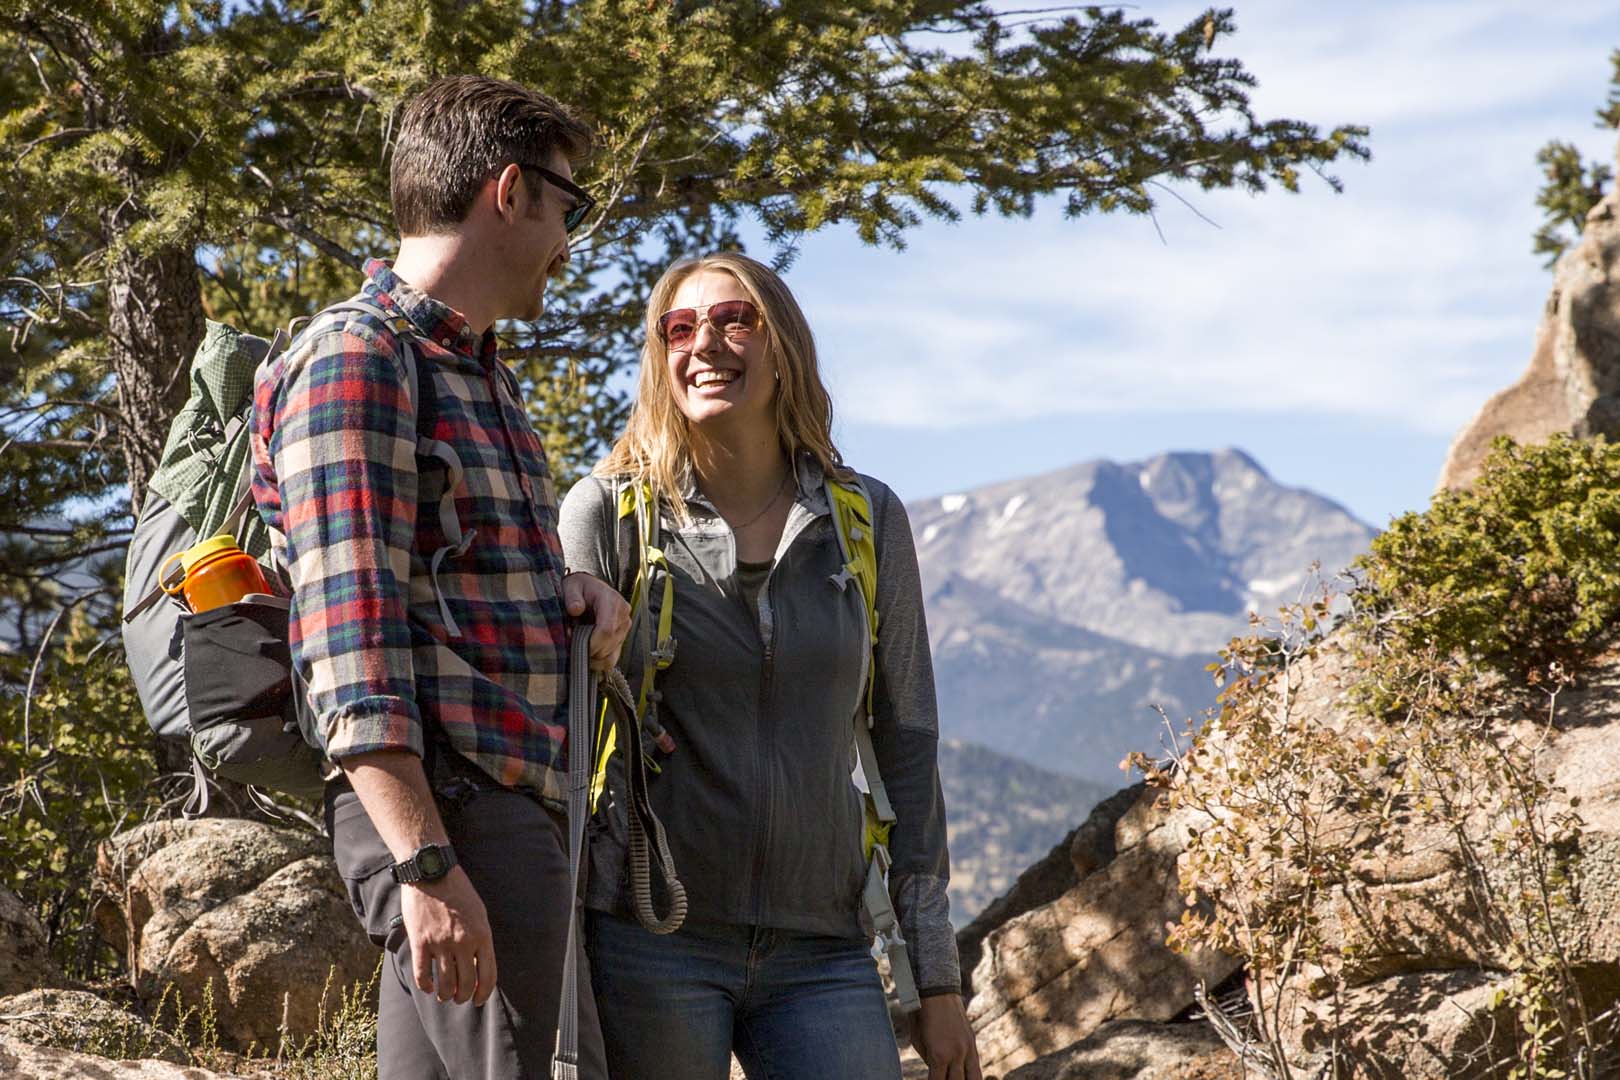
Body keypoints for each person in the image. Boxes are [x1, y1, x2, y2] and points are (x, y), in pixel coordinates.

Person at [251, 75, 629, 1080]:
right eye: (568, 207)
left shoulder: (476, 373)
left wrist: (566, 600)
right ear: (510, 190)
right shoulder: (359, 358)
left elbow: (436, 594)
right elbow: (348, 636)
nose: (568, 242)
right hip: (457, 822)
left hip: (482, 825)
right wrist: (426, 866)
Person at [558, 252, 982, 1080]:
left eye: (733, 320)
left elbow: (908, 743)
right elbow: (556, 745)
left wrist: (936, 980)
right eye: (679, 329)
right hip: (650, 937)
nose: (704, 345)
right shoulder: (606, 513)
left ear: (782, 343)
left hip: (822, 949)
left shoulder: (866, 521)